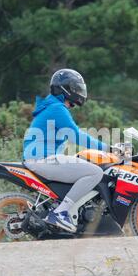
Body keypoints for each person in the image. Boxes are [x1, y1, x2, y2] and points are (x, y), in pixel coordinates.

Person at [23, 69, 109, 233]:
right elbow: (77, 136)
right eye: (76, 88)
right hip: (43, 159)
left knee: (82, 166)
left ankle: (63, 209)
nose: (79, 92)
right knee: (95, 173)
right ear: (66, 89)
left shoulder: (51, 106)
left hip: (40, 159)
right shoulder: (56, 108)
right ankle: (61, 213)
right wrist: (108, 148)